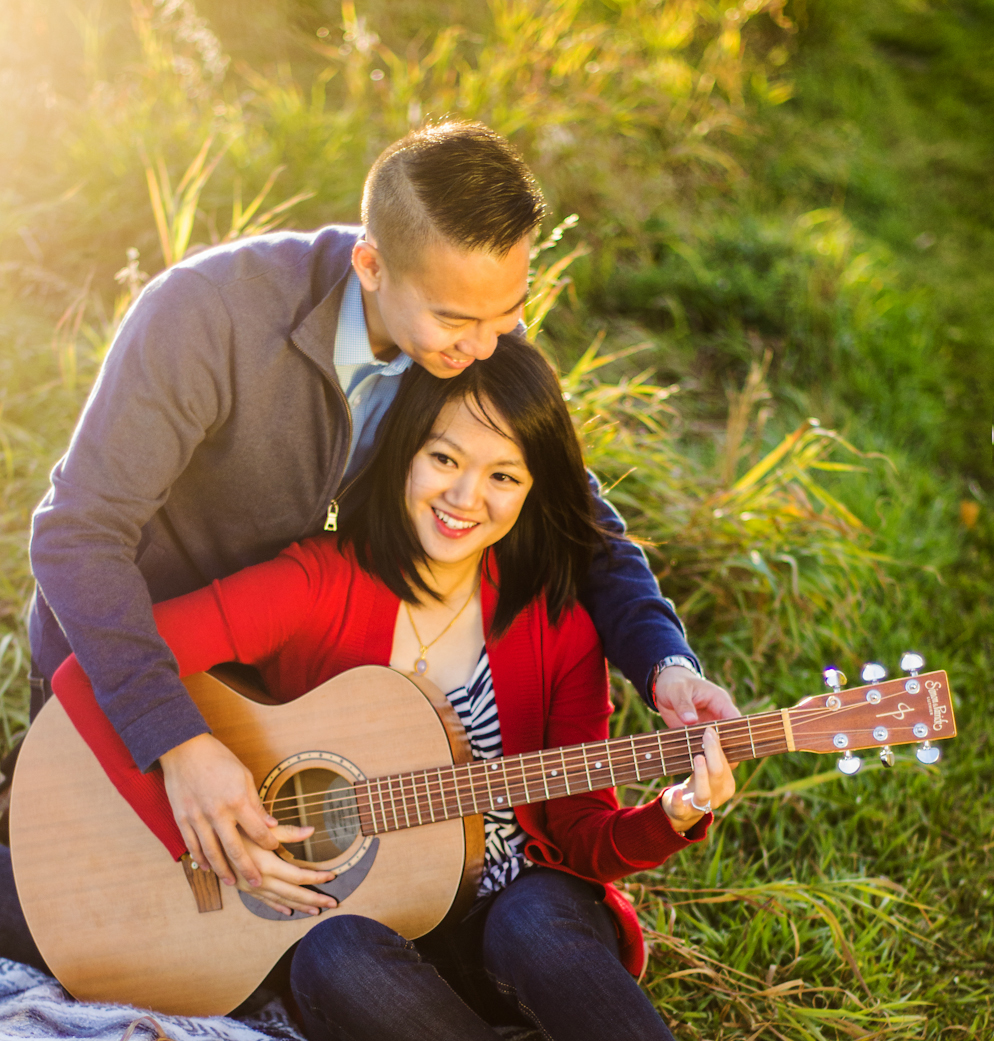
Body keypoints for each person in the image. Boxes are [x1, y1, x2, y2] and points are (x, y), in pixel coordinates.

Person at [43, 335, 849, 1041]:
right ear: (400, 456)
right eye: (445, 459)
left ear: (535, 488)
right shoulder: (316, 583)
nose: (468, 495)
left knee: (534, 918)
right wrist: (193, 777)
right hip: (378, 944)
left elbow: (584, 838)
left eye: (505, 474)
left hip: (521, 925)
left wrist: (675, 813)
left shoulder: (552, 618)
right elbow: (110, 661)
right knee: (332, 954)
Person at [22, 120, 736, 900]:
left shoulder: (465, 335)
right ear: (370, 263)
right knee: (89, 905)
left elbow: (575, 517)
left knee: (252, 942)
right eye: (459, 320)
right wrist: (175, 740)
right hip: (131, 662)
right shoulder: (206, 316)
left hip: (289, 696)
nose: (489, 347)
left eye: (508, 314)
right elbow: (75, 536)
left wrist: (665, 665)